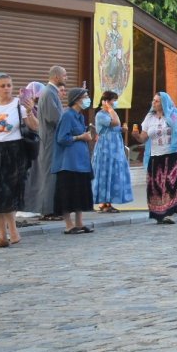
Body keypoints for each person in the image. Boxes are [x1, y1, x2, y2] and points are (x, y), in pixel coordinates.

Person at [0, 73, 39, 248]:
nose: (6, 89)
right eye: (2, 86)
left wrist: (30, 112)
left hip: (13, 151)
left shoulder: (19, 105)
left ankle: (12, 232)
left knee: (7, 192)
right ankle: (2, 236)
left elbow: (35, 127)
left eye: (9, 85)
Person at [134, 92, 177, 224]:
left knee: (170, 183)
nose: (154, 103)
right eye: (153, 100)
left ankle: (168, 213)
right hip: (155, 157)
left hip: (173, 155)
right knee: (155, 185)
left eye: (157, 101)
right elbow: (143, 137)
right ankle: (158, 214)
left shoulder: (174, 115)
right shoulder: (149, 118)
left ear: (164, 103)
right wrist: (136, 136)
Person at [52, 87, 96, 234]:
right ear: (77, 99)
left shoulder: (80, 116)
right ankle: (69, 225)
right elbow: (61, 138)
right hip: (68, 163)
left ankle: (79, 222)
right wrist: (80, 137)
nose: (87, 99)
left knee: (80, 193)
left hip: (81, 162)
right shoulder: (67, 116)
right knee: (67, 194)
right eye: (85, 96)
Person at [34, 65, 67, 220]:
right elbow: (54, 117)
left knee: (54, 174)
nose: (66, 78)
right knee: (49, 174)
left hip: (53, 139)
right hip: (49, 139)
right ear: (56, 77)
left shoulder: (51, 92)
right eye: (64, 75)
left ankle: (53, 208)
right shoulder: (48, 93)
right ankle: (48, 210)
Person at [91, 91, 133, 212]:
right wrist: (110, 109)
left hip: (114, 147)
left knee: (113, 172)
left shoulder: (109, 114)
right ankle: (104, 202)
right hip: (106, 147)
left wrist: (121, 129)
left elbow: (115, 126)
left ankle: (108, 201)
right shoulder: (101, 114)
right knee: (105, 172)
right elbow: (115, 122)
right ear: (107, 101)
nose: (115, 103)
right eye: (113, 100)